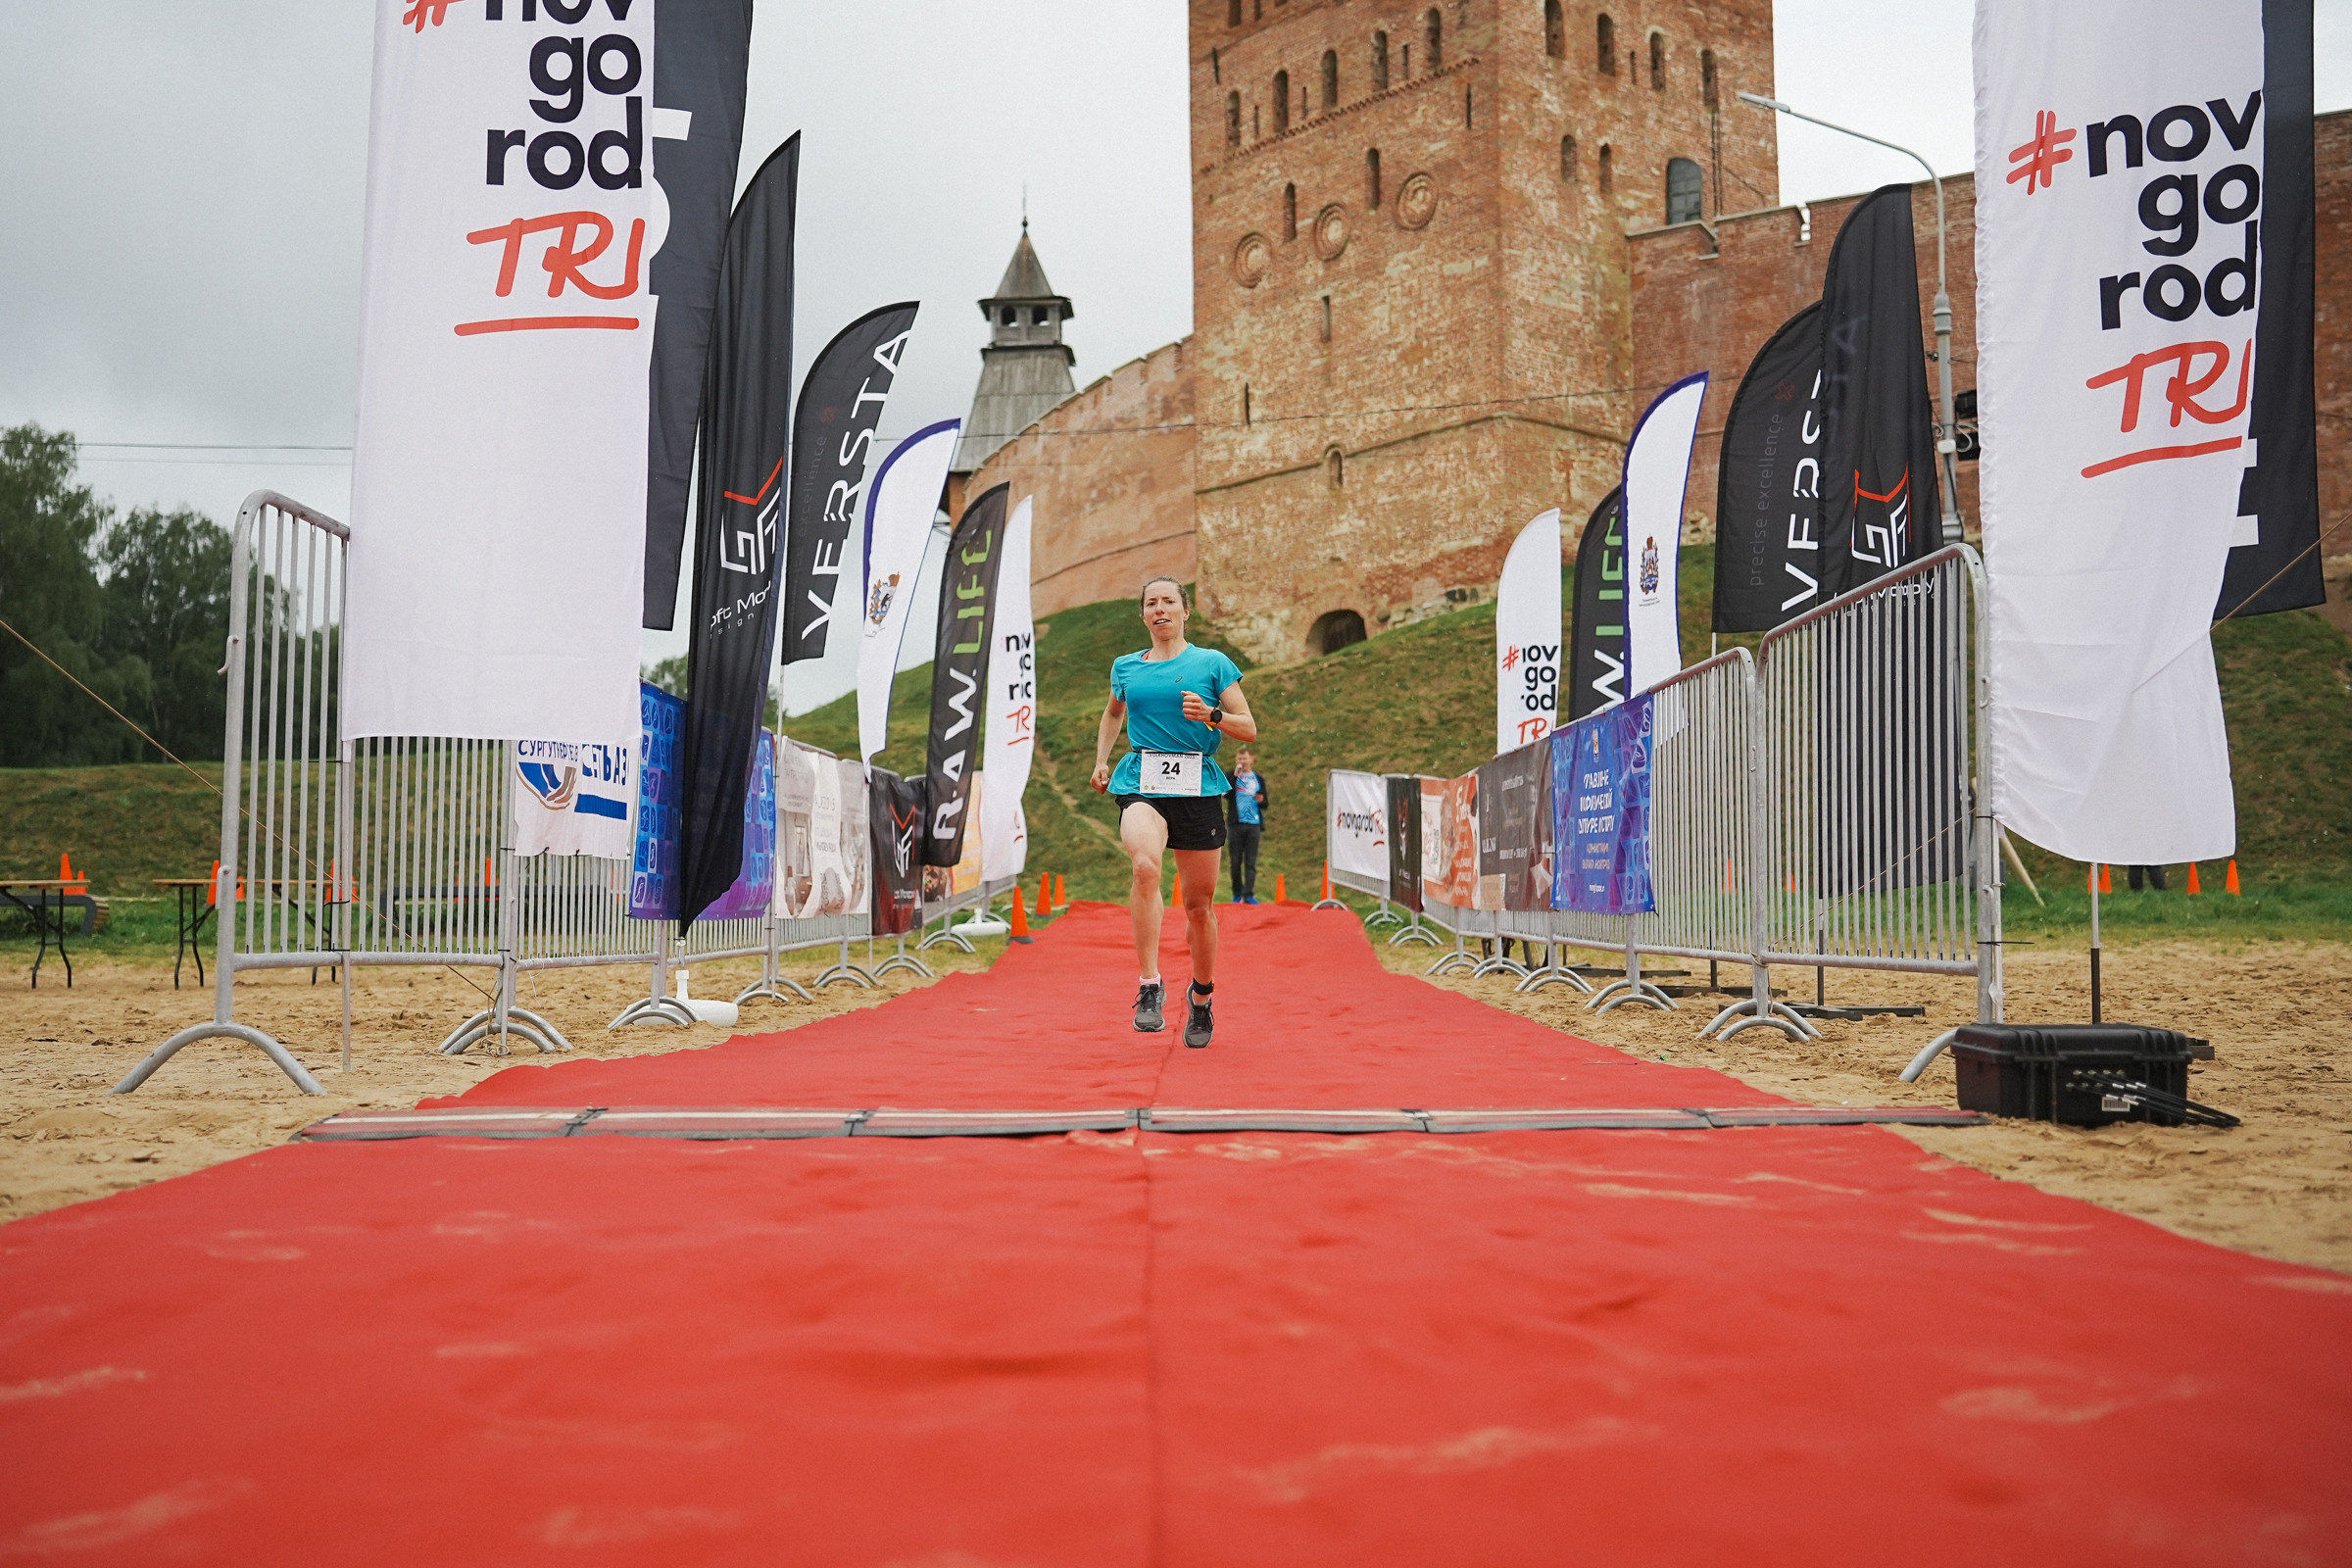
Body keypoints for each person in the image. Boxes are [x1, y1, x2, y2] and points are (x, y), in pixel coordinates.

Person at [1091, 575, 1258, 1048]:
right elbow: (1112, 713)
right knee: (1145, 867)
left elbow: (1248, 727)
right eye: (1151, 603)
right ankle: (1149, 985)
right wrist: (1102, 760)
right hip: (1141, 779)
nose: (1159, 609)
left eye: (1168, 601)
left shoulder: (1212, 663)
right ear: (1143, 615)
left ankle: (1201, 998)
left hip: (1198, 783)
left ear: (1185, 611)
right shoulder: (1125, 667)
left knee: (1199, 907)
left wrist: (1212, 715)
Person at [1226, 747, 1268, 904]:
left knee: (1251, 861)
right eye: (1239, 759)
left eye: (1245, 759)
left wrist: (1261, 800)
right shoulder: (1231, 776)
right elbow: (1227, 795)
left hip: (1253, 824)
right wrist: (1235, 777)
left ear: (1251, 759)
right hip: (1236, 824)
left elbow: (1265, 803)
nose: (1242, 762)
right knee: (1235, 861)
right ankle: (1237, 894)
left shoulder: (1258, 779)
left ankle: (1248, 894)